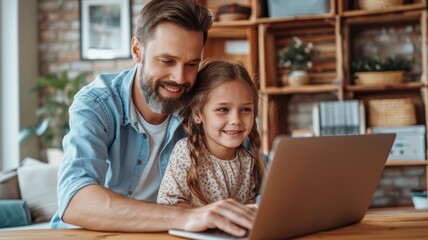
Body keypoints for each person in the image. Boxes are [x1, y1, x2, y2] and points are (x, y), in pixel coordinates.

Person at [50, 0, 256, 237]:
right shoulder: (98, 104)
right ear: (137, 51)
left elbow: (255, 166)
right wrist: (189, 216)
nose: (180, 78)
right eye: (167, 61)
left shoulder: (200, 105)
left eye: (191, 64)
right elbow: (75, 200)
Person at [157, 59, 266, 208]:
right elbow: (169, 206)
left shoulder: (248, 160)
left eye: (246, 109)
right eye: (223, 109)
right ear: (198, 114)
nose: (236, 120)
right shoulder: (185, 153)